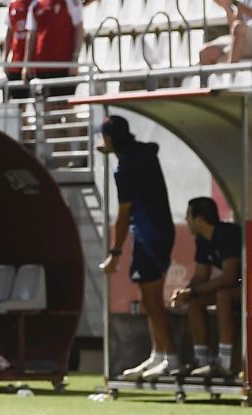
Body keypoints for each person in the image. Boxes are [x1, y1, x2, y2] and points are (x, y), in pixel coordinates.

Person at [97, 115, 178, 378]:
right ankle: (158, 355)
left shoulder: (126, 167)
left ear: (110, 139)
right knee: (147, 297)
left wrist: (115, 254)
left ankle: (171, 358)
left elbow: (123, 214)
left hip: (150, 234)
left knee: (153, 299)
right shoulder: (142, 154)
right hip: (158, 231)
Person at [172, 197, 241, 376]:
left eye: (188, 216)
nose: (186, 220)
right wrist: (185, 293)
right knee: (195, 301)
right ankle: (201, 359)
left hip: (244, 286)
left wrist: (193, 290)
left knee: (223, 296)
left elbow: (229, 277)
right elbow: (200, 277)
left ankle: (225, 363)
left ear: (200, 219)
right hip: (238, 287)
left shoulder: (226, 234)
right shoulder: (203, 239)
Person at [199, 0, 252, 65]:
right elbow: (233, 26)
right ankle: (209, 81)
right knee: (205, 52)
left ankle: (230, 75)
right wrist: (226, 6)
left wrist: (233, 2)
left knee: (239, 27)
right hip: (245, 39)